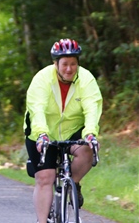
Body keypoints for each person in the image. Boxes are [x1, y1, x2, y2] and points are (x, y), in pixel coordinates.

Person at [24, 38, 102, 223]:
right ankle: (42, 221)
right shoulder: (42, 79)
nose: (69, 69)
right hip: (42, 132)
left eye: (73, 64)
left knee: (86, 151)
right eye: (65, 64)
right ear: (56, 64)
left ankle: (72, 184)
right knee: (45, 178)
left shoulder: (86, 79)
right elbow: (37, 108)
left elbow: (92, 107)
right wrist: (42, 134)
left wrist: (90, 133)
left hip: (74, 129)